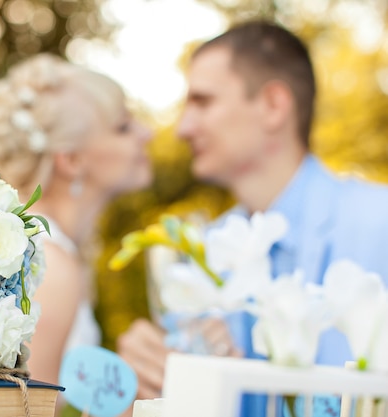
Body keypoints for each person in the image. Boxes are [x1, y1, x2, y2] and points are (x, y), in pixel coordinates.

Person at [118, 20, 388, 416]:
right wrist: (141, 388)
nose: (183, 128)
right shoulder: (198, 252)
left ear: (273, 106)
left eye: (203, 102)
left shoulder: (379, 223)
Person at [0, 53, 153, 413]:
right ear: (71, 160)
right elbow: (29, 410)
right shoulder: (50, 266)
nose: (147, 134)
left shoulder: (42, 249)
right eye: (123, 127)